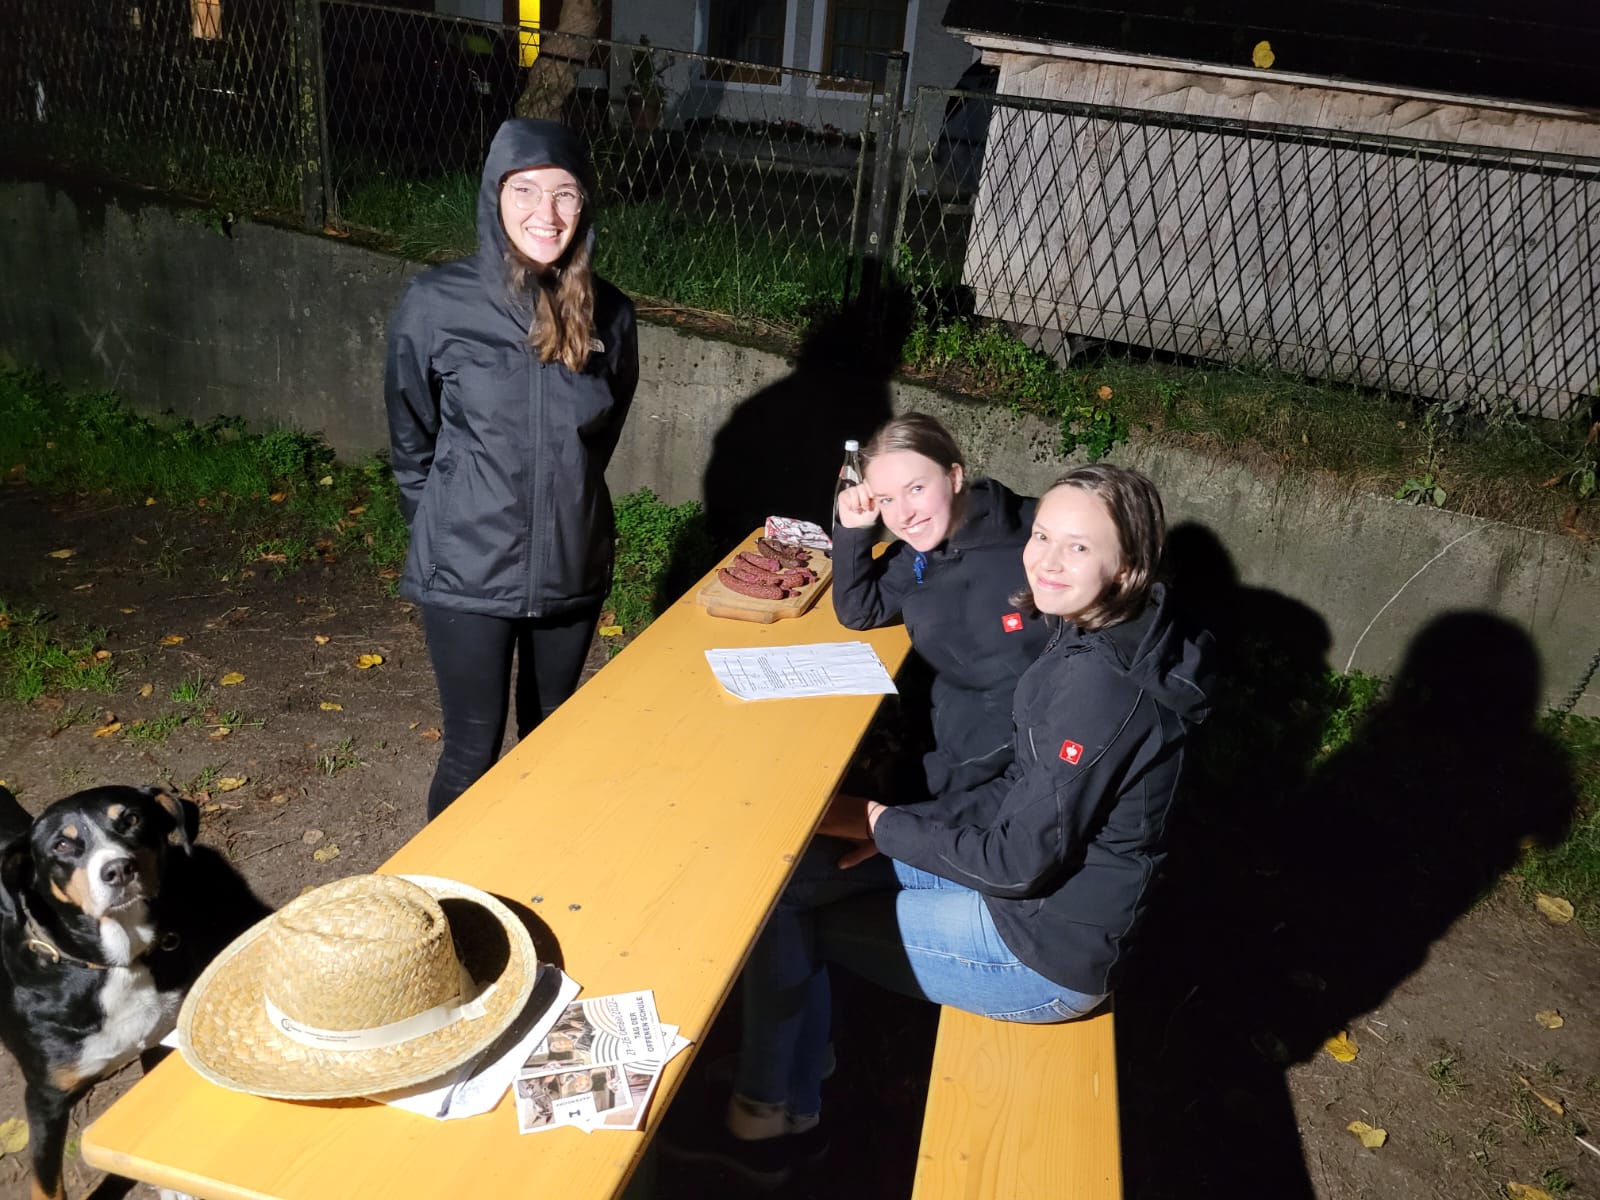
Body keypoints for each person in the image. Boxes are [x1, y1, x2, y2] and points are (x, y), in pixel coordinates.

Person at [664, 464, 1215, 1187]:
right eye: (1043, 535)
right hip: (1029, 890)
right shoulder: (1108, 627)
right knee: (795, 877)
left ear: (1129, 566)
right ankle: (795, 1076)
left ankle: (769, 1120)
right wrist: (898, 826)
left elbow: (1018, 862)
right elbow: (1022, 793)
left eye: (1078, 547)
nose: (1047, 560)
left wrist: (881, 822)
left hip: (1043, 950)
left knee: (788, 917)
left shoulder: (1099, 683)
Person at [386, 119, 639, 819]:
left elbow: (599, 438)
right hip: (467, 568)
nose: (545, 213)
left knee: (550, 740)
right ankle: (451, 884)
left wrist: (566, 512)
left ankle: (534, 870)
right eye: (524, 190)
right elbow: (410, 437)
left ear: (585, 205)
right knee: (472, 748)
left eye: (564, 193)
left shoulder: (612, 313)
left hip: (570, 565)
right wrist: (447, 526)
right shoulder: (437, 301)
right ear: (494, 196)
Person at [830, 413, 1051, 820]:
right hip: (937, 736)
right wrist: (853, 531)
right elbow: (861, 609)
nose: (903, 515)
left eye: (916, 489)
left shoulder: (1037, 545)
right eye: (886, 500)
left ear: (954, 477)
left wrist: (925, 791)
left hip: (1004, 773)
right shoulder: (925, 547)